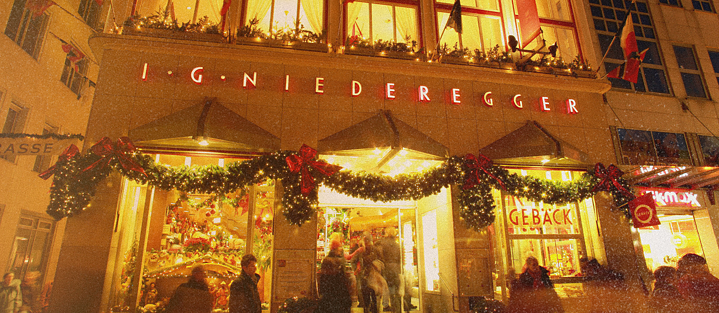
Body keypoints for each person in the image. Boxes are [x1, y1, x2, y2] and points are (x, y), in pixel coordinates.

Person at [317, 240, 352, 313]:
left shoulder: (326, 260)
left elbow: (323, 278)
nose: (340, 252)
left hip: (329, 292)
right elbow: (342, 276)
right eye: (338, 250)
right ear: (335, 250)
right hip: (337, 291)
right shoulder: (338, 260)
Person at [377, 227, 402, 313]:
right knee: (396, 287)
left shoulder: (383, 244)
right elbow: (400, 258)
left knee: (386, 286)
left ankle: (386, 304)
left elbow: (380, 255)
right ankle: (396, 305)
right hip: (396, 268)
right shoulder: (397, 245)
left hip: (387, 267)